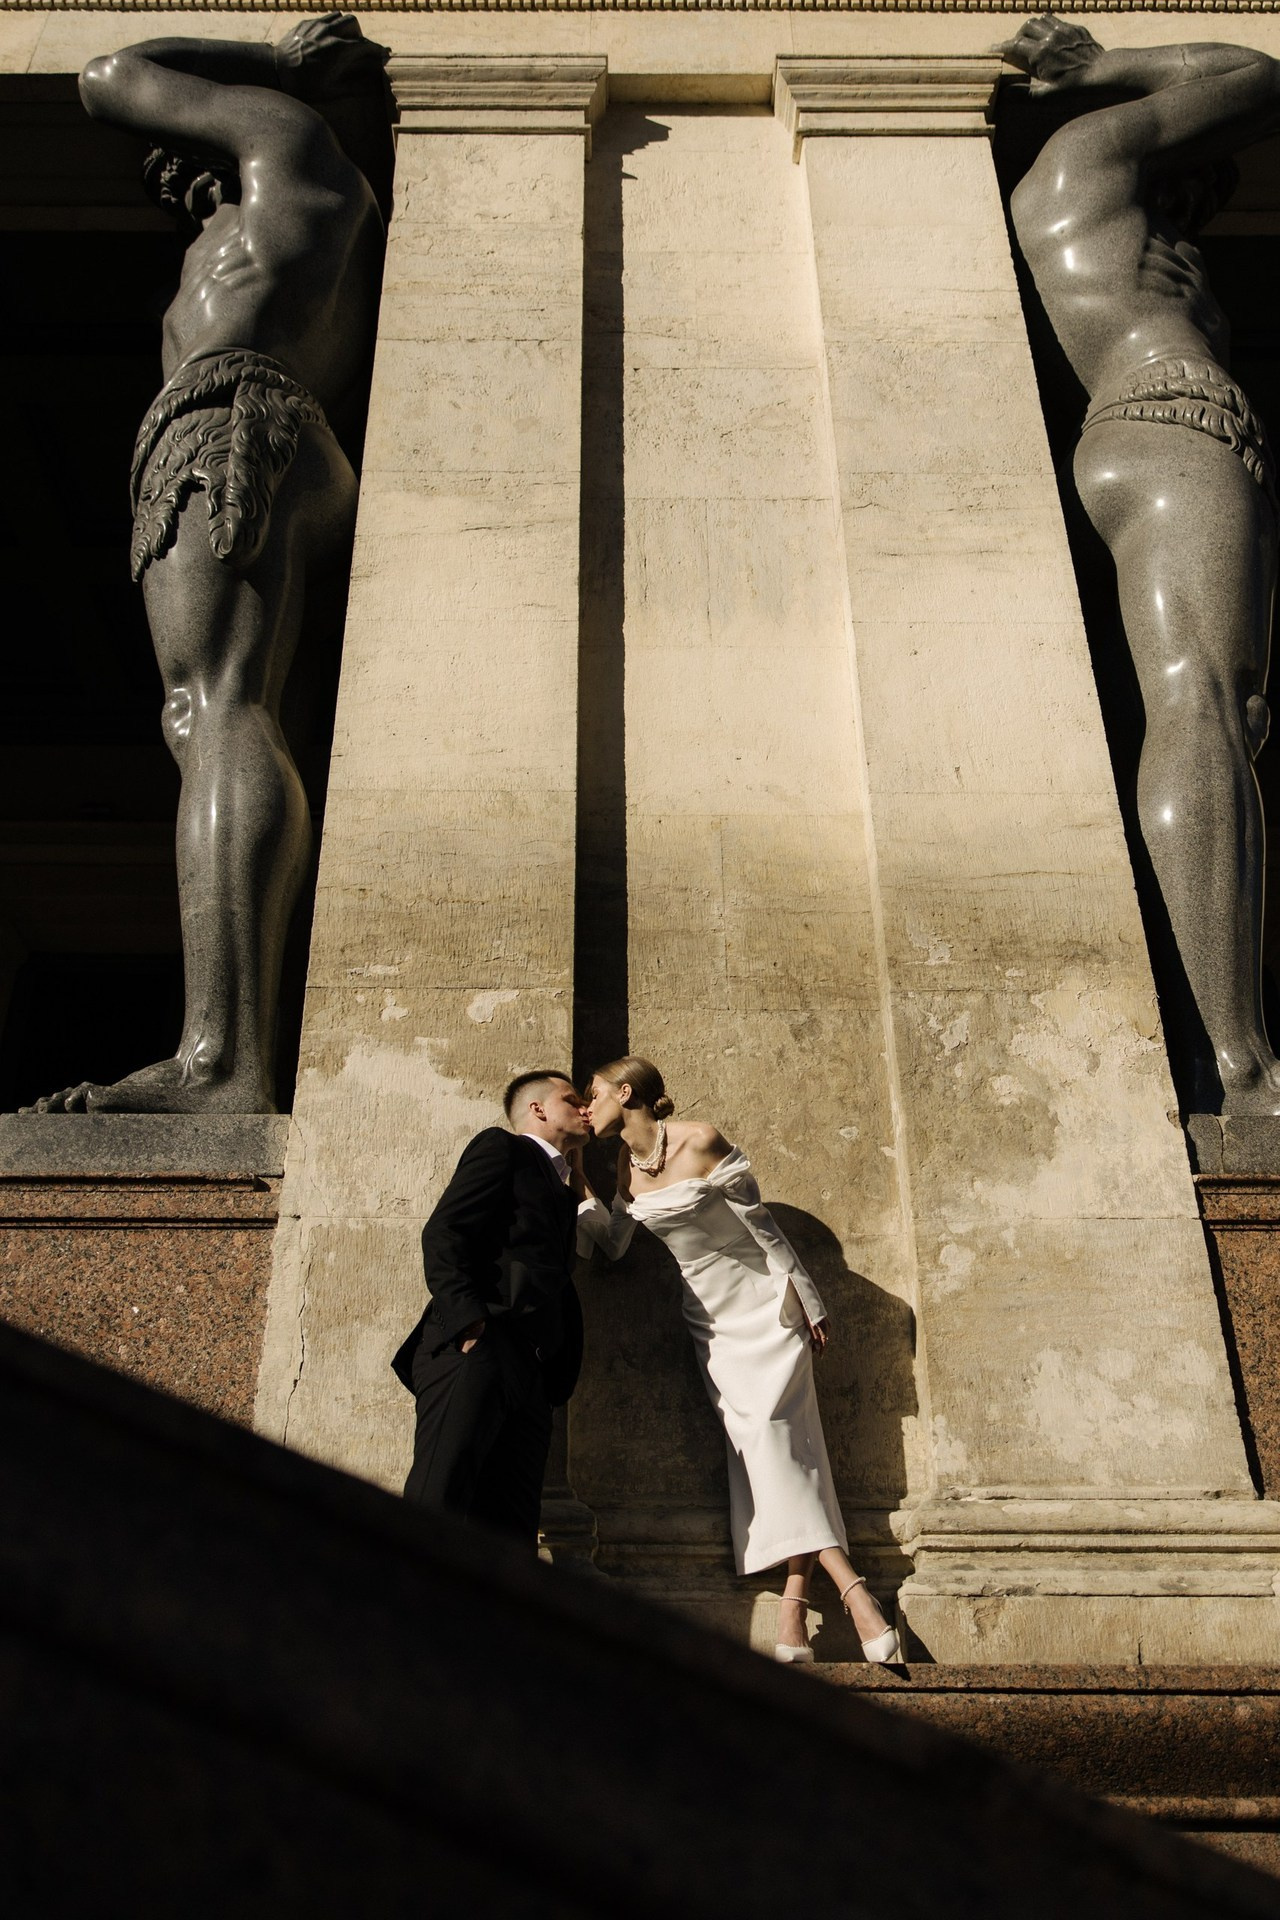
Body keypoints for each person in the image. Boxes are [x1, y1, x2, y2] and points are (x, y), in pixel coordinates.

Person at [31, 15, 390, 1114]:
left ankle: (219, 1061)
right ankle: (229, 1050)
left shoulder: (291, 152)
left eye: (181, 150)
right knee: (228, 710)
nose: (171, 176)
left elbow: (107, 74)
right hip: (258, 426)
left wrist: (273, 64)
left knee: (214, 710)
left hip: (227, 419)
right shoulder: (262, 221)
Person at [1005, 17, 1280, 1114]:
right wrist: (1101, 70)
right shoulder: (1080, 163)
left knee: (1229, 714)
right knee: (1202, 707)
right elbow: (1255, 74)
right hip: (1170, 425)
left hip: (1181, 436)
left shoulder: (1136, 233)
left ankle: (1235, 1037)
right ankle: (1242, 1059)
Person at [578, 1056, 900, 1665]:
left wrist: (808, 1299)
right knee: (775, 1450)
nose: (586, 1106)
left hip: (765, 1306)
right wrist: (576, 1179)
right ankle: (825, 1595)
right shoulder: (622, 1164)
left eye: (592, 1094)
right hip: (712, 1320)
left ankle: (824, 1604)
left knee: (776, 1445)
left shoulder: (700, 1139)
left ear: (625, 1092)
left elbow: (762, 1224)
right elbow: (615, 1244)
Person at [393, 1072, 594, 1551]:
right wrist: (469, 1323)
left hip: (533, 1371)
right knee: (439, 1496)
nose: (585, 1108)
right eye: (572, 1099)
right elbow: (445, 1232)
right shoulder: (503, 1148)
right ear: (538, 1109)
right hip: (480, 1347)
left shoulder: (565, 1185)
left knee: (511, 1527)